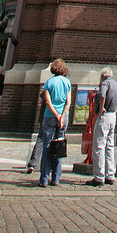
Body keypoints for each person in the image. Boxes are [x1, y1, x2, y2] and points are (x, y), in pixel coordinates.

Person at [87, 67, 117, 187]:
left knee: (99, 146)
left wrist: (101, 108)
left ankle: (99, 177)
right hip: (112, 116)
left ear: (103, 75)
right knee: (109, 146)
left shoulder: (105, 83)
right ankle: (110, 175)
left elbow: (102, 95)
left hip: (104, 116)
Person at [39, 58, 72, 187]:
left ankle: (44, 179)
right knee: (59, 146)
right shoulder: (67, 83)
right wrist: (62, 117)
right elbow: (68, 102)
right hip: (63, 118)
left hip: (49, 116)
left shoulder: (49, 83)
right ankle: (56, 178)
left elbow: (47, 102)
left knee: (47, 146)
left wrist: (56, 114)